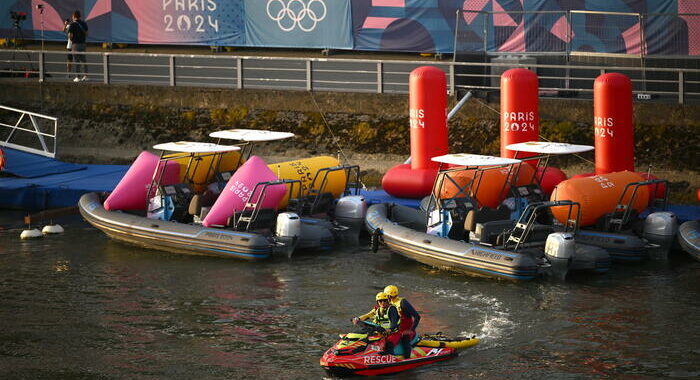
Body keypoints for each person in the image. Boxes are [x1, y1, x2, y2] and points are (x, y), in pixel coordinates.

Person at [352, 292, 409, 358]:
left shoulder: (392, 309)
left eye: (384, 300)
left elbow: (394, 323)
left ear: (388, 301)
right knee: (366, 340)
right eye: (380, 301)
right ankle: (361, 355)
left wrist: (390, 329)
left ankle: (390, 359)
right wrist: (357, 318)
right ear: (377, 302)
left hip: (393, 333)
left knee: (389, 343)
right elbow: (367, 315)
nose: (383, 302)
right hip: (381, 332)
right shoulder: (377, 309)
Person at [384, 285, 421, 359]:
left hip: (406, 330)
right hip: (396, 329)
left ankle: (407, 358)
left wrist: (411, 330)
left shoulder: (403, 303)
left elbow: (417, 316)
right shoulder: (387, 303)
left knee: (405, 340)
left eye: (386, 296)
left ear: (389, 296)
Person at [66, 10, 88, 82]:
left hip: (75, 44)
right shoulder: (84, 23)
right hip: (83, 44)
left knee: (76, 60)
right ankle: (86, 76)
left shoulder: (72, 24)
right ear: (79, 16)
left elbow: (70, 36)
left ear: (74, 16)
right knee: (84, 60)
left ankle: (78, 77)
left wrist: (71, 38)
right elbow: (87, 34)